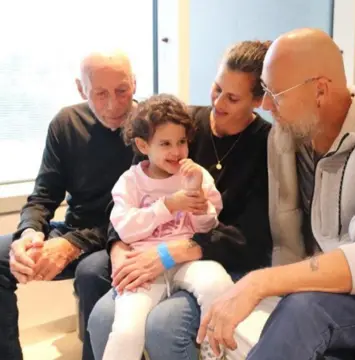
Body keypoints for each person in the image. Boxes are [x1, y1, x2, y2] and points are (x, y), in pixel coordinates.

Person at [197, 28, 355, 360]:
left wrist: (262, 282)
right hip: (327, 278)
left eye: (276, 93)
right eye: (265, 91)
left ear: (321, 90)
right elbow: (288, 241)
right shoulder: (288, 136)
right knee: (225, 322)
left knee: (303, 312)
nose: (266, 104)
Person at [87, 40, 273, 360]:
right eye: (216, 89)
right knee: (101, 310)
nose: (218, 103)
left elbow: (251, 236)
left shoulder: (266, 146)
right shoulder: (181, 123)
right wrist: (119, 250)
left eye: (232, 97)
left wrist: (173, 250)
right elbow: (128, 198)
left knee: (164, 325)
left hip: (213, 256)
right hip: (146, 246)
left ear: (259, 100)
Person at [0, 51, 136, 360]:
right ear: (81, 89)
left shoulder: (149, 129)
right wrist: (30, 233)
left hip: (124, 238)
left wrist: (72, 244)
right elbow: (44, 195)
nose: (113, 105)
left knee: (91, 272)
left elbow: (139, 215)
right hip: (74, 230)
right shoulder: (66, 123)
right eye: (100, 93)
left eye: (122, 90)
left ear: (135, 84)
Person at [101, 94, 231, 360]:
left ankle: (212, 347)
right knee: (126, 331)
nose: (176, 151)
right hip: (144, 266)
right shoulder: (131, 181)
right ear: (143, 145)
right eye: (165, 143)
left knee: (217, 282)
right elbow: (124, 229)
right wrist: (168, 206)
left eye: (182, 142)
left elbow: (208, 226)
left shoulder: (197, 174)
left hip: (185, 260)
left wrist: (197, 197)